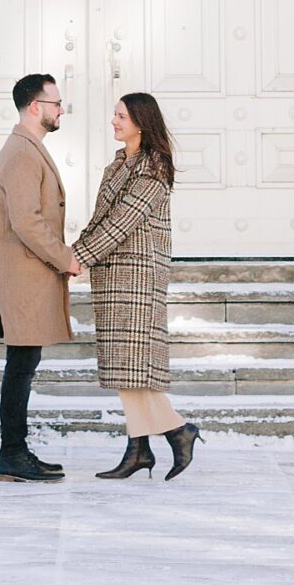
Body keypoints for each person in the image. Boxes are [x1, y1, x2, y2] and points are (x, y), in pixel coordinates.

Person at [74, 91, 200, 481]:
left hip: (137, 275)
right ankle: (139, 448)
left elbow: (122, 222)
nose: (113, 121)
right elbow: (101, 219)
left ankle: (179, 430)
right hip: (115, 274)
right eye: (114, 114)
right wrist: (75, 251)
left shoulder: (154, 167)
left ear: (142, 122)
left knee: (133, 365)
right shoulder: (119, 164)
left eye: (121, 117)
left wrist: (78, 257)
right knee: (126, 368)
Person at [0, 72, 82, 484]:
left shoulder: (28, 148)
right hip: (23, 275)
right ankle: (12, 453)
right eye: (56, 103)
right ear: (35, 107)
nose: (61, 110)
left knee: (23, 363)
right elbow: (27, 221)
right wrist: (66, 258)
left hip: (25, 273)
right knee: (21, 364)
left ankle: (14, 452)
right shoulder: (23, 152)